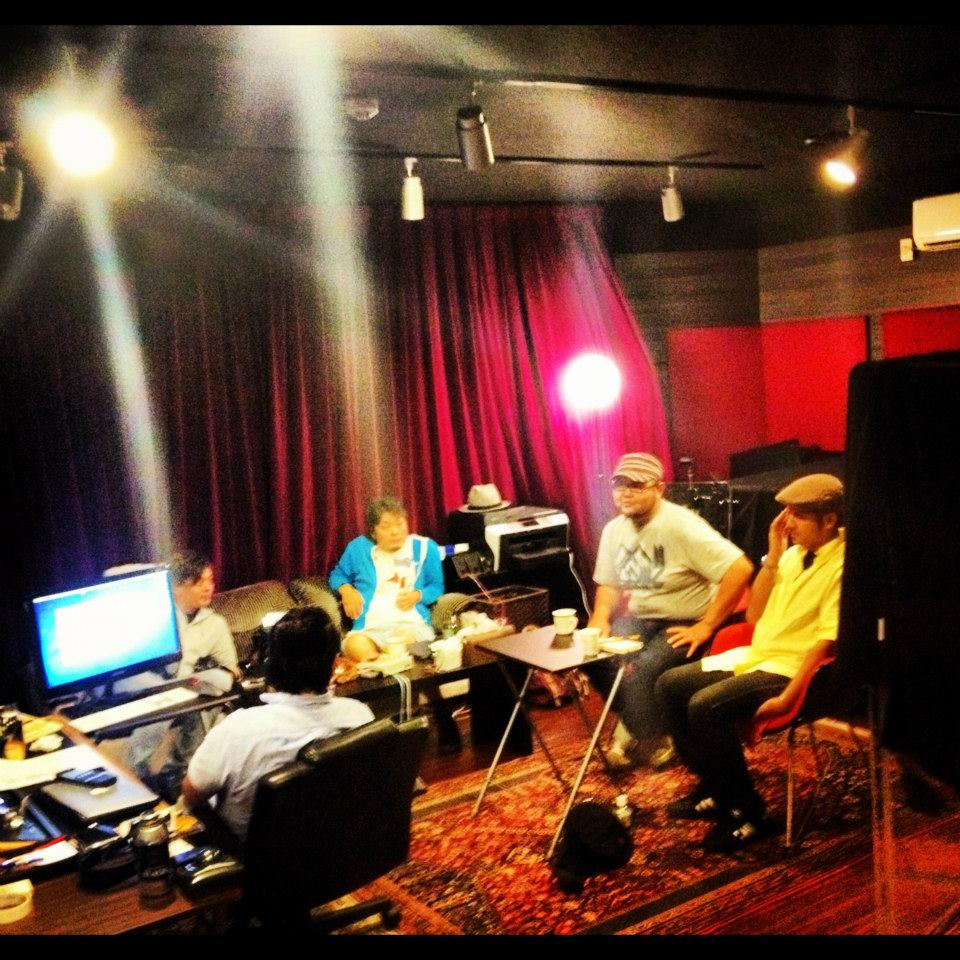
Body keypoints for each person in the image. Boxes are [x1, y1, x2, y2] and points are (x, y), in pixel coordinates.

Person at [655, 473, 845, 853]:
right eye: (786, 513)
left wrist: (789, 697)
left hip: (793, 668)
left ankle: (748, 811)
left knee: (705, 707)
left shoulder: (845, 566)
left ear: (828, 519)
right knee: (668, 685)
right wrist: (773, 556)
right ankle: (716, 787)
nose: (787, 523)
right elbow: (755, 615)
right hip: (759, 655)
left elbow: (827, 641)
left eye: (798, 515)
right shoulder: (790, 556)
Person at [586, 452, 753, 768]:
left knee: (647, 668)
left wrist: (707, 625)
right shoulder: (613, 530)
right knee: (594, 657)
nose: (625, 492)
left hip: (686, 618)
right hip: (641, 617)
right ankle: (658, 731)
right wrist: (599, 617)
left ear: (659, 488)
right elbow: (608, 583)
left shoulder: (681, 525)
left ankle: (634, 732)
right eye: (619, 484)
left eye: (636, 485)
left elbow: (740, 568)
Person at [183, 606, 374, 843]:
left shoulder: (237, 730)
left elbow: (192, 795)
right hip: (339, 846)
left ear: (269, 665)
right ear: (335, 665)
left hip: (251, 856)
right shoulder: (360, 716)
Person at [329, 496, 459, 753]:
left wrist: (418, 595)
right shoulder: (358, 548)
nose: (396, 531)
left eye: (400, 523)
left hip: (410, 624)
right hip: (370, 628)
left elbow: (437, 586)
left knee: (403, 648)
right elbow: (337, 574)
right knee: (358, 648)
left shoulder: (425, 548)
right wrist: (346, 590)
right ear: (373, 531)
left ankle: (440, 716)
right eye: (386, 526)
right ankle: (392, 727)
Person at [120, 551, 239, 797]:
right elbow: (112, 574)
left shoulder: (214, 623)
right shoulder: (156, 614)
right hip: (146, 683)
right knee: (166, 698)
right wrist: (162, 572)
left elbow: (231, 669)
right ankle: (134, 770)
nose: (208, 587)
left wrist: (218, 676)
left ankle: (181, 768)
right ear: (175, 587)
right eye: (198, 582)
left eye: (210, 580)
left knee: (213, 688)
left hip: (187, 684)